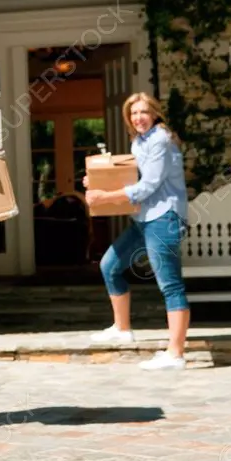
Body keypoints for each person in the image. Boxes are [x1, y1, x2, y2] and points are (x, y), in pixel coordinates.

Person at [83, 92, 191, 371]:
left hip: (164, 217)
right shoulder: (139, 141)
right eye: (133, 113)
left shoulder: (161, 141)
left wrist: (104, 197)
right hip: (144, 218)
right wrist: (95, 180)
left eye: (143, 112)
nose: (138, 117)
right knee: (110, 266)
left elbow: (147, 186)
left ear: (155, 113)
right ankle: (122, 328)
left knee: (170, 284)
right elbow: (130, 176)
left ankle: (175, 354)